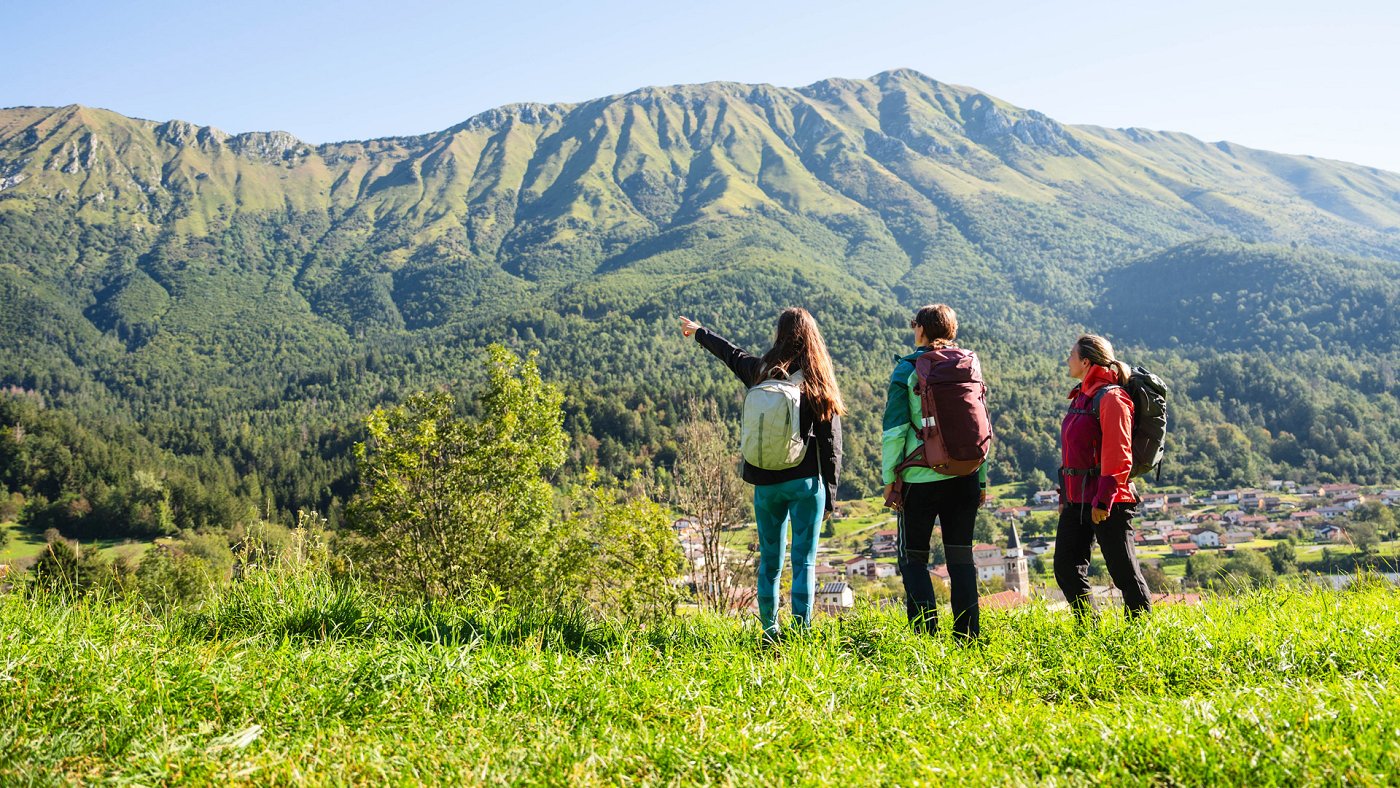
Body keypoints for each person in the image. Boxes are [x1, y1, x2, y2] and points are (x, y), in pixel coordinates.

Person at [679, 309, 843, 642]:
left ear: (779, 334)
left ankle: (769, 632)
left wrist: (699, 332)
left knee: (770, 561)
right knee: (804, 562)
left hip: (766, 482)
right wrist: (831, 492)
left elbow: (731, 354)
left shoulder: (760, 371)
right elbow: (831, 444)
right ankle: (801, 634)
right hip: (806, 484)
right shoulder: (817, 379)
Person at [882, 304, 988, 640]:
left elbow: (894, 431)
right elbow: (979, 425)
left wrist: (889, 480)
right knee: (961, 557)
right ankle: (968, 636)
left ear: (921, 330)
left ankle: (926, 638)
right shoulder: (969, 365)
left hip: (920, 478)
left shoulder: (908, 369)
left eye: (915, 325)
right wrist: (981, 478)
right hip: (966, 475)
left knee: (913, 560)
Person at [1054, 334, 1152, 618]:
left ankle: (1141, 632)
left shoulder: (1112, 398)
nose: (1067, 360)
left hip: (1108, 502)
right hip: (1077, 500)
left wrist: (1104, 499)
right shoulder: (1081, 396)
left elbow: (1119, 452)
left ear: (1086, 361)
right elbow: (1073, 453)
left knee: (1124, 573)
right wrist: (1064, 494)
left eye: (1071, 355)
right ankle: (1089, 629)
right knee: (1066, 568)